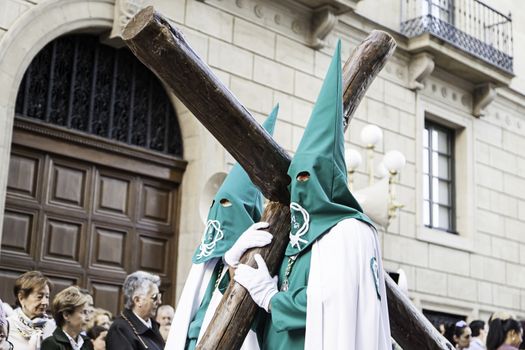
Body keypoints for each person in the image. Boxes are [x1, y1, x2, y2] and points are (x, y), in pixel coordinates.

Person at [234, 41, 391, 350]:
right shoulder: (294, 233)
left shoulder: (350, 231)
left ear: (332, 180)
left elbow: (333, 301)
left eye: (309, 176)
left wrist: (272, 298)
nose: (301, 187)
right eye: (297, 178)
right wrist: (232, 258)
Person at [166, 106, 279, 350]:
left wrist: (233, 263)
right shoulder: (207, 258)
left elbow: (242, 301)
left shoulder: (260, 249)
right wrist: (227, 256)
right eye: (218, 202)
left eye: (227, 204)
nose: (219, 210)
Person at [106, 271, 164, 350]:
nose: (159, 302)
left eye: (159, 296)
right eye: (154, 297)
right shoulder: (119, 329)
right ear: (137, 300)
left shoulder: (153, 326)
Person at [7, 271, 56, 349]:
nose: (45, 302)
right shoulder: (7, 326)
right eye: (39, 297)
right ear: (21, 298)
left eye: (47, 297)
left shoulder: (53, 328)